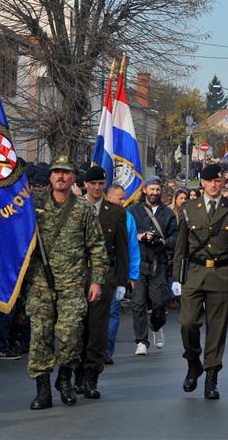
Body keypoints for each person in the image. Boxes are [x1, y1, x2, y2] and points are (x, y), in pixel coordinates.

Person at [26, 156, 108, 409]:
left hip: (73, 283)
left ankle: (64, 377)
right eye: (56, 173)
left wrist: (96, 281)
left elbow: (97, 247)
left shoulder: (83, 209)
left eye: (66, 173)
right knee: (40, 336)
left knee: (72, 334)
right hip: (40, 283)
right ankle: (42, 389)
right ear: (50, 177)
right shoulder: (34, 206)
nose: (61, 177)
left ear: (74, 178)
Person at [171, 164, 228, 400]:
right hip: (194, 272)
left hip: (221, 274)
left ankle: (212, 375)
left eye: (218, 181)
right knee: (188, 323)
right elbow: (181, 247)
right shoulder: (189, 208)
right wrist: (177, 277)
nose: (214, 185)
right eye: (209, 181)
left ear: (223, 183)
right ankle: (193, 361)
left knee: (217, 328)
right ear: (202, 183)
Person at [74, 166, 129, 398]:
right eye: (92, 183)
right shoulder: (73, 209)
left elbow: (122, 249)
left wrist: (121, 282)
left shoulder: (115, 213)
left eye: (100, 184)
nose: (97, 188)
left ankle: (91, 377)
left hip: (104, 277)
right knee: (76, 329)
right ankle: (75, 374)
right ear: (85, 185)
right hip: (75, 277)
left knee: (97, 330)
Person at [128, 176, 178, 355]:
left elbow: (175, 236)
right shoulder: (133, 211)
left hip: (159, 263)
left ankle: (157, 326)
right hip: (138, 262)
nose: (155, 193)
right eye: (152, 189)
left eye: (157, 190)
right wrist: (141, 236)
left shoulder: (168, 213)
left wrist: (164, 241)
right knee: (138, 302)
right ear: (145, 190)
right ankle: (141, 340)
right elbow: (125, 233)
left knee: (159, 302)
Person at [104, 184, 140, 364]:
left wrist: (132, 275)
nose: (123, 201)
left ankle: (107, 351)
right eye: (119, 198)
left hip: (117, 272)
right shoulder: (95, 214)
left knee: (112, 312)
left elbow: (132, 248)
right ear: (109, 197)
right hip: (94, 273)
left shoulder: (128, 218)